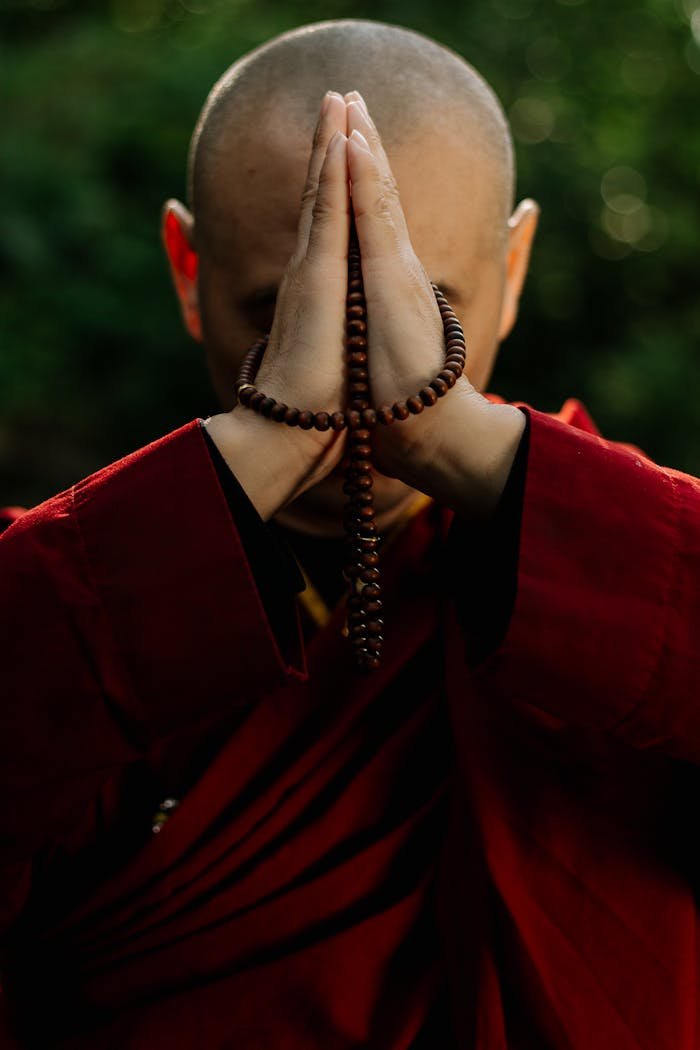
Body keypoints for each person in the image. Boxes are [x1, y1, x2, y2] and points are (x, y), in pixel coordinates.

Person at [2, 17, 699, 1050]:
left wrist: (467, 444)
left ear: (514, 268)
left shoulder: (646, 564)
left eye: (425, 317)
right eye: (287, 320)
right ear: (187, 269)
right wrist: (249, 460)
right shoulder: (65, 584)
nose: (351, 390)